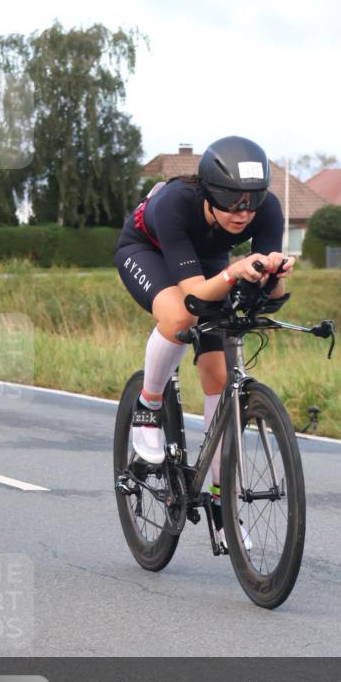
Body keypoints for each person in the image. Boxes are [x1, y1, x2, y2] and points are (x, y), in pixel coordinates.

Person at [114, 135, 294, 547]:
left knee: (218, 374)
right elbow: (195, 295)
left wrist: (276, 275)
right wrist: (235, 273)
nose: (243, 213)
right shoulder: (175, 203)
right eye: (232, 201)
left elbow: (272, 298)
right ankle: (148, 405)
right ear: (211, 193)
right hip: (148, 250)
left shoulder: (267, 210)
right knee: (181, 315)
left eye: (252, 200)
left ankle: (219, 503)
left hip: (208, 264)